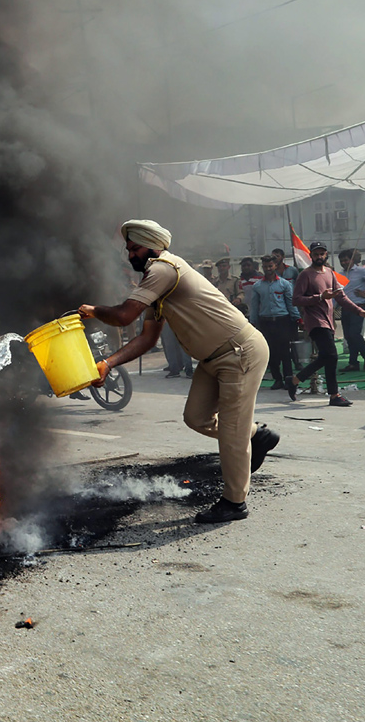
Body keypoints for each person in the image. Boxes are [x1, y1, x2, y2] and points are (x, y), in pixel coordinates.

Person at [79, 219, 275, 524]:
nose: (131, 255)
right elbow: (146, 338)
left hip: (239, 352)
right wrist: (109, 363)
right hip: (212, 359)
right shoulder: (155, 282)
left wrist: (94, 311)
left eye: (135, 248)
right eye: (128, 249)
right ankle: (257, 435)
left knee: (230, 434)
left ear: (152, 246)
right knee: (196, 418)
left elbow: (123, 315)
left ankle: (234, 503)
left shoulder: (163, 268)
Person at [290, 242, 365, 406]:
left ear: (326, 255)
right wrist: (319, 297)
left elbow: (341, 297)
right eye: (316, 254)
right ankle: (334, 395)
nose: (319, 257)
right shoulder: (305, 275)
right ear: (311, 256)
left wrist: (359, 311)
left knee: (327, 357)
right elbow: (296, 299)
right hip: (315, 321)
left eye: (322, 254)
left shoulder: (330, 273)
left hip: (329, 321)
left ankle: (295, 380)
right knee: (332, 355)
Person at [249, 255, 300, 396]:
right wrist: (253, 323)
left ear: (275, 266)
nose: (268, 269)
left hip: (282, 320)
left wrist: (297, 319)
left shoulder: (284, 284)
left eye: (270, 266)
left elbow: (290, 303)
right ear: (262, 268)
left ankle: (288, 379)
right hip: (266, 321)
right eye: (265, 267)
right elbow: (254, 307)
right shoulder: (257, 286)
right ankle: (277, 379)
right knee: (270, 352)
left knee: (285, 352)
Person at [337, 249, 365, 373]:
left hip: (358, 306)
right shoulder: (340, 275)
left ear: (352, 260)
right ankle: (353, 363)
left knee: (354, 334)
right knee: (348, 336)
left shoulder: (361, 271)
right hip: (345, 307)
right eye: (341, 261)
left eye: (346, 260)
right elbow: (338, 293)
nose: (344, 263)